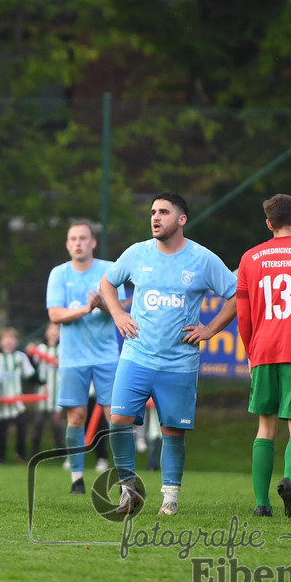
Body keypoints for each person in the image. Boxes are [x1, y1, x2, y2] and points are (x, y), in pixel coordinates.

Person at [101, 192, 237, 516]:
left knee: (172, 431)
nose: (155, 217)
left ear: (181, 219)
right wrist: (119, 314)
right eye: (152, 212)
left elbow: (235, 295)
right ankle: (128, 490)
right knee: (118, 420)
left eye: (163, 211)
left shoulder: (202, 259)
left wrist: (211, 329)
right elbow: (107, 283)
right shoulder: (136, 253)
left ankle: (170, 499)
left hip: (179, 362)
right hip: (136, 356)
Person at [236, 194, 291, 518]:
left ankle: (262, 504)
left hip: (264, 349)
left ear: (269, 223)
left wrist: (250, 349)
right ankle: (289, 481)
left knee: (265, 427)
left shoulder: (250, 258)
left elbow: (243, 315)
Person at [46, 220, 124, 495]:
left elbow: (120, 309)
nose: (78, 243)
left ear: (93, 242)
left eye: (83, 238)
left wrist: (101, 304)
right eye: (73, 239)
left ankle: (123, 478)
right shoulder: (58, 274)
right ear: (67, 244)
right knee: (76, 417)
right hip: (72, 359)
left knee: (115, 417)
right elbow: (55, 314)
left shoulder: (108, 270)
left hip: (106, 357)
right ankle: (77, 479)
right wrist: (84, 309)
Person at [0, 327, 36, 465]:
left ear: (16, 341)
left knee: (22, 428)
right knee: (2, 431)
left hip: (17, 400)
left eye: (12, 338)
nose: (9, 341)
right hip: (2, 400)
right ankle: (1, 458)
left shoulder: (20, 357)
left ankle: (21, 455)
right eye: (6, 338)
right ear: (1, 341)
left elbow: (30, 374)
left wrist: (43, 383)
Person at [29, 322, 64, 458]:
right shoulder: (41, 348)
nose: (54, 333)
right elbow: (32, 366)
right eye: (52, 330)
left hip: (57, 394)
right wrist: (30, 353)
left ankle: (61, 452)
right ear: (46, 333)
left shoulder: (63, 348)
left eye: (57, 331)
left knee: (58, 425)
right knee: (38, 423)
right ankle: (34, 451)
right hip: (42, 393)